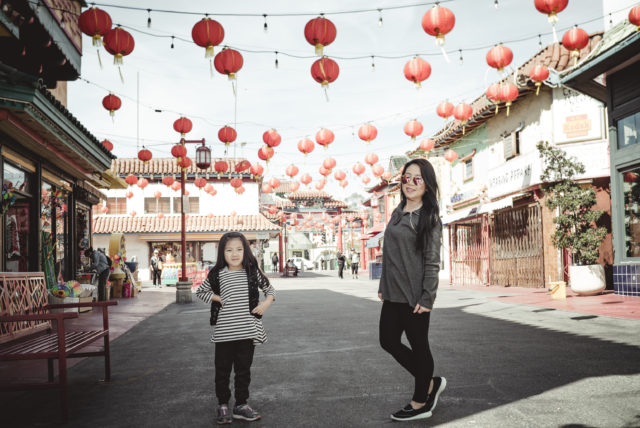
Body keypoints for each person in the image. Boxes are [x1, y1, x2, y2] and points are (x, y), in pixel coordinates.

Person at [377, 158, 446, 422]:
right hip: (392, 294)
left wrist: (427, 298)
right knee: (388, 341)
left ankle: (421, 402)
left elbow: (432, 262)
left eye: (417, 178)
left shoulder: (428, 218)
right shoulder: (398, 211)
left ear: (427, 184)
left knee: (419, 346)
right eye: (406, 177)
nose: (410, 183)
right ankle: (429, 383)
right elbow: (390, 253)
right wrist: (384, 285)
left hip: (416, 297)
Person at [195, 232, 275, 425]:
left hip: (247, 332)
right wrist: (218, 298)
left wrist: (265, 304)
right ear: (222, 252)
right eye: (229, 250)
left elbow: (270, 290)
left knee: (243, 371)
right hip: (224, 334)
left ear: (245, 251)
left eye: (239, 249)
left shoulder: (252, 271)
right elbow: (201, 291)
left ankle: (241, 405)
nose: (234, 254)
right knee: (222, 371)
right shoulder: (217, 274)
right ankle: (223, 405)